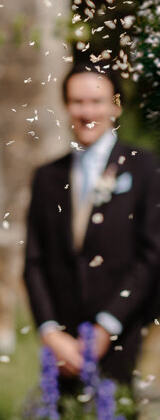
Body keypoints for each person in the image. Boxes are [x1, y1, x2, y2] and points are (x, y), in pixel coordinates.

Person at [25, 63, 160, 385]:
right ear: (66, 106)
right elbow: (34, 261)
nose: (87, 112)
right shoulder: (47, 177)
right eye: (77, 102)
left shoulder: (143, 168)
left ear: (116, 105)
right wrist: (51, 331)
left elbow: (153, 254)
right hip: (62, 342)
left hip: (120, 333)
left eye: (96, 101)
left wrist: (106, 326)